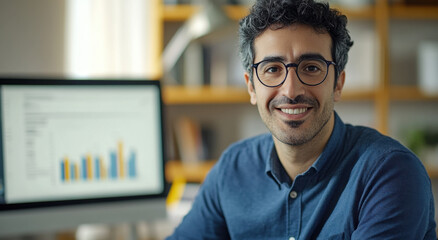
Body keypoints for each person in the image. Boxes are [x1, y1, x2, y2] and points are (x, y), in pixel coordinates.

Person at [166, 0, 436, 239]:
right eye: (272, 69)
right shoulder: (232, 171)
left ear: (338, 84)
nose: (291, 90)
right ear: (251, 87)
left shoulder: (390, 172)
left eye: (311, 68)